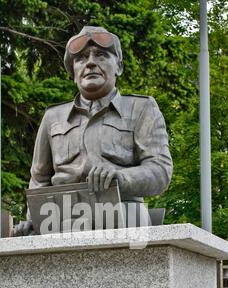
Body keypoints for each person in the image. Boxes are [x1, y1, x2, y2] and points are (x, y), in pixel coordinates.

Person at [15, 26, 173, 235]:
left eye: (101, 55)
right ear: (74, 73)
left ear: (119, 67)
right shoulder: (53, 117)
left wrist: (121, 177)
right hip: (60, 221)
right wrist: (33, 219)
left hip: (124, 216)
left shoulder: (141, 108)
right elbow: (39, 179)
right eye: (80, 58)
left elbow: (160, 171)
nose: (90, 62)